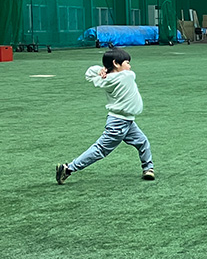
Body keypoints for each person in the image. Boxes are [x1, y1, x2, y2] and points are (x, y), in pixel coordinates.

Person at [55, 48, 154, 185]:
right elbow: (128, 73)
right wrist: (105, 70)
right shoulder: (127, 76)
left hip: (126, 121)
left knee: (142, 141)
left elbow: (89, 72)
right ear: (116, 63)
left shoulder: (106, 78)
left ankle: (148, 168)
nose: (130, 66)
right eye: (127, 62)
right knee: (100, 149)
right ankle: (68, 168)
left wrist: (102, 70)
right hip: (119, 122)